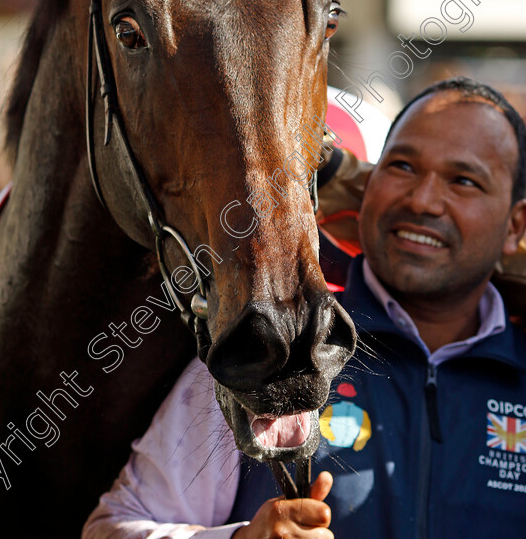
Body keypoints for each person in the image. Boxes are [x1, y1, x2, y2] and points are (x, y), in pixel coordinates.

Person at [82, 78, 526, 539]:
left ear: (515, 226)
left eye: (464, 181)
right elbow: (109, 529)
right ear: (367, 185)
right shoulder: (263, 346)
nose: (422, 200)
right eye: (402, 166)